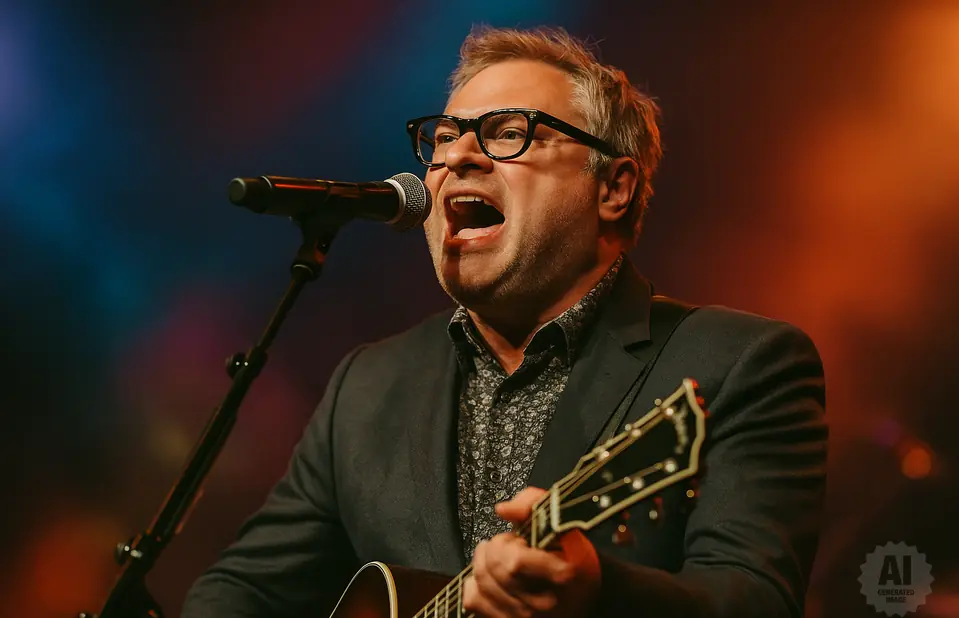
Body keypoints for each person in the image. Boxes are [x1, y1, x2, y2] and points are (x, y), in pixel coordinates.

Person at [180, 26, 827, 618]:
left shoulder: (741, 363)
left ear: (614, 188)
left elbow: (755, 599)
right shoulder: (367, 386)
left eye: (508, 131)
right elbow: (242, 592)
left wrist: (600, 591)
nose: (459, 156)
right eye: (443, 138)